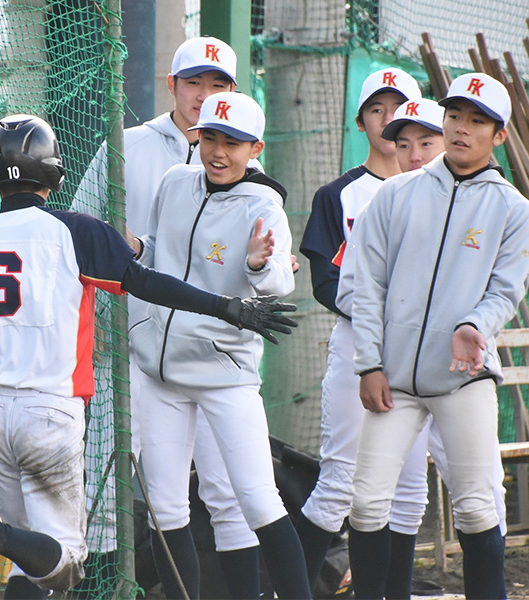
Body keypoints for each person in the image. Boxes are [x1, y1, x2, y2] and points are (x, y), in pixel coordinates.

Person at [0, 114, 296, 600]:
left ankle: (2, 535)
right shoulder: (77, 230)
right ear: (53, 170)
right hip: (49, 410)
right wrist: (227, 306)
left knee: (31, 565)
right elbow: (145, 282)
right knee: (64, 561)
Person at [73, 36, 267, 598]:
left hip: (211, 351)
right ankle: (100, 589)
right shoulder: (128, 144)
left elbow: (264, 252)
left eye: (218, 85)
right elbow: (82, 231)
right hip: (128, 344)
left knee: (229, 494)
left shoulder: (248, 160)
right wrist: (94, 325)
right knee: (109, 487)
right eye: (193, 83)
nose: (204, 95)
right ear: (172, 86)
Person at [124, 91, 310, 599]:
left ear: (256, 148)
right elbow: (162, 252)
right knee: (166, 508)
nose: (219, 151)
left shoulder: (263, 202)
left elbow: (278, 286)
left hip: (223, 373)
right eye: (209, 138)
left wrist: (255, 264)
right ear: (195, 138)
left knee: (256, 501)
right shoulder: (174, 181)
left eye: (233, 141)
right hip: (159, 371)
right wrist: (137, 247)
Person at [348, 72, 526, 599]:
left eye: (477, 120)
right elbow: (367, 285)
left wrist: (474, 326)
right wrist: (369, 364)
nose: (461, 128)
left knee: (476, 506)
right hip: (395, 379)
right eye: (454, 115)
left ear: (498, 135)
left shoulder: (513, 209)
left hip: (462, 379)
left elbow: (505, 291)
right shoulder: (396, 194)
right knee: (366, 503)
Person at [295, 68, 434, 595]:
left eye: (400, 108)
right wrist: (383, 311)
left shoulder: (443, 193)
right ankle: (294, 588)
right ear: (362, 122)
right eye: (378, 109)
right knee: (339, 485)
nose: (389, 118)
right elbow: (325, 281)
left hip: (422, 351)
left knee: (410, 488)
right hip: (360, 344)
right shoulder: (341, 194)